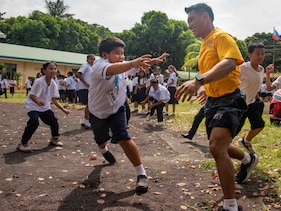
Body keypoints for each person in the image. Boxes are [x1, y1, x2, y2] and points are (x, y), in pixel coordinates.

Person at [176, 3, 258, 211]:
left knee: (216, 146)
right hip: (213, 101)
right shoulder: (205, 44)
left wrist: (198, 81)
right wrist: (207, 89)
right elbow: (217, 71)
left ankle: (231, 206)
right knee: (218, 145)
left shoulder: (221, 37)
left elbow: (230, 63)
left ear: (205, 17)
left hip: (230, 100)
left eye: (191, 20)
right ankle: (248, 158)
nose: (189, 25)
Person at [88, 36, 169, 194]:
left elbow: (132, 67)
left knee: (123, 137)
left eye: (123, 53)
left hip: (117, 107)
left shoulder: (122, 66)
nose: (121, 57)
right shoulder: (100, 66)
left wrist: (154, 61)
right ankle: (103, 150)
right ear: (105, 55)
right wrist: (132, 63)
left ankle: (141, 174)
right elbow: (116, 69)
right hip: (98, 111)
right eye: (117, 53)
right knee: (101, 139)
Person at [17, 62, 70, 152]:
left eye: (55, 69)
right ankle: (23, 143)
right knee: (34, 121)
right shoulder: (39, 82)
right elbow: (32, 96)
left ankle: (55, 138)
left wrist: (63, 109)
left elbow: (53, 99)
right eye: (51, 68)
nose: (53, 70)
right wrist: (38, 102)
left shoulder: (53, 83)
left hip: (44, 107)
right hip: (32, 105)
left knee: (53, 120)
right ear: (44, 71)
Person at [237, 42, 266, 154]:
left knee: (259, 125)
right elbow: (231, 81)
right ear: (249, 55)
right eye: (257, 53)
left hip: (252, 103)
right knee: (234, 129)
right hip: (240, 104)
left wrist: (256, 95)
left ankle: (246, 141)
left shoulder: (261, 69)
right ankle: (223, 150)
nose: (260, 56)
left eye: (262, 54)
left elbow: (255, 85)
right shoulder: (242, 68)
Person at [76, 54, 95, 129]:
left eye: (94, 59)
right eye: (91, 59)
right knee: (89, 105)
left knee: (89, 105)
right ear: (87, 60)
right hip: (85, 88)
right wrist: (86, 84)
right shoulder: (85, 66)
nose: (92, 61)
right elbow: (78, 74)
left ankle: (85, 121)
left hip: (90, 88)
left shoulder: (92, 67)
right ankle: (87, 121)